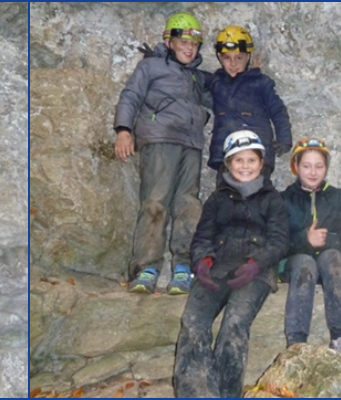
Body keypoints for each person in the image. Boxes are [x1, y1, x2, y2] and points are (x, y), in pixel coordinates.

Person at [174, 130, 289, 397]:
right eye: (238, 160)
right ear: (228, 164)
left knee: (234, 324)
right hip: (217, 269)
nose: (245, 166)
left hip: (255, 273)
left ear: (261, 164)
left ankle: (227, 394)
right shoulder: (216, 199)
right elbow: (203, 236)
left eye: (251, 160)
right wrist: (202, 262)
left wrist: (255, 264)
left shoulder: (273, 199)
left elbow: (280, 241)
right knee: (193, 322)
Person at [114, 13, 214, 295]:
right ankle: (147, 268)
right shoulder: (151, 66)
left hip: (191, 145)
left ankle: (183, 267)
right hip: (159, 140)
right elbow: (131, 95)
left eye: (194, 44)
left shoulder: (197, 77)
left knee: (188, 204)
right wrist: (123, 130)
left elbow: (224, 95)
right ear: (169, 41)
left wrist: (247, 74)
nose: (189, 48)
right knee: (155, 201)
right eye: (183, 42)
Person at [279, 138, 341, 360]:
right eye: (306, 166)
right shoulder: (283, 200)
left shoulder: (340, 198)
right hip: (295, 262)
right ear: (296, 166)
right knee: (305, 263)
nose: (313, 172)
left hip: (330, 262)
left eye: (319, 166)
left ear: (326, 168)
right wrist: (305, 240)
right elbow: (277, 242)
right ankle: (296, 345)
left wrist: (325, 240)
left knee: (332, 257)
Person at [207, 25, 292, 179]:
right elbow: (190, 79)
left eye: (239, 57)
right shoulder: (215, 84)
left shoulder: (261, 83)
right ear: (220, 58)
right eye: (227, 58)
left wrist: (284, 139)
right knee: (226, 197)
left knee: (259, 197)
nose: (233, 63)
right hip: (225, 155)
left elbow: (278, 111)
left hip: (257, 154)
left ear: (248, 57)